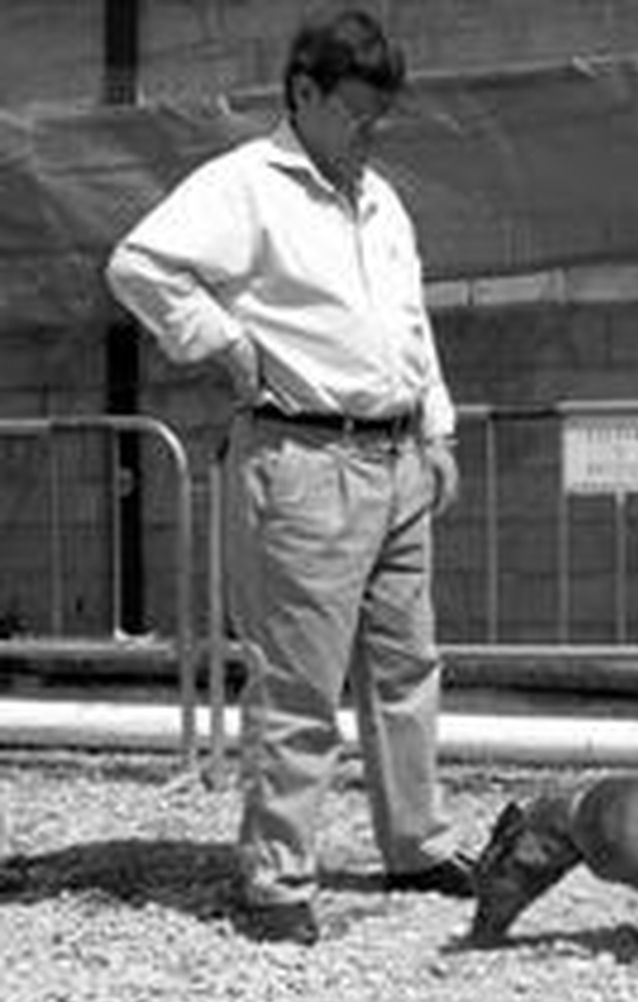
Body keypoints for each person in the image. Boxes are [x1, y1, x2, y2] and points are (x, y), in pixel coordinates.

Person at [105, 8, 473, 945]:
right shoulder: (245, 185)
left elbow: (409, 323)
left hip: (396, 459)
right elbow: (139, 266)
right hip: (304, 459)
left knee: (405, 668)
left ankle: (416, 842)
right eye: (355, 112)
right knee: (299, 683)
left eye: (379, 115)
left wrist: (438, 429)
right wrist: (223, 344)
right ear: (302, 92)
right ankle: (277, 879)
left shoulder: (380, 197)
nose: (369, 130)